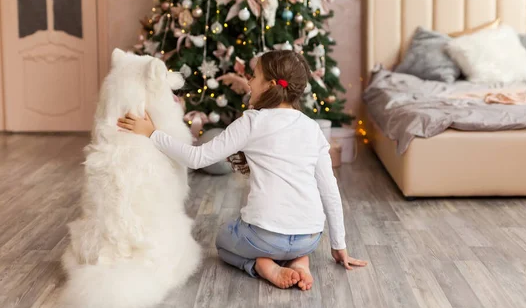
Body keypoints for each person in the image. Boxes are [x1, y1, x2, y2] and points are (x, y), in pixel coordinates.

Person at [117, 50, 367, 290]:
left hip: (264, 238)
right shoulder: (312, 128)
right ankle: (300, 260)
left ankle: (261, 265)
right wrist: (339, 245)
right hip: (309, 238)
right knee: (291, 242)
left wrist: (152, 133)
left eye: (254, 76)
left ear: (270, 84)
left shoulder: (252, 122)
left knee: (224, 241)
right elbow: (330, 191)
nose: (249, 81)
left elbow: (197, 158)